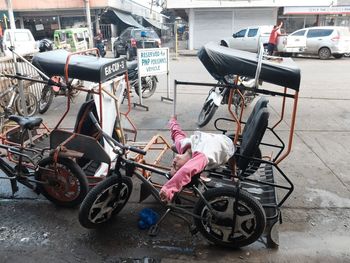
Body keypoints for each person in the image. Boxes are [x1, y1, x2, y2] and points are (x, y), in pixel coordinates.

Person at [159, 115, 235, 202]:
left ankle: (233, 169)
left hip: (216, 140)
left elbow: (177, 133)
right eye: (176, 167)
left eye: (172, 166)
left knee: (175, 145)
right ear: (189, 163)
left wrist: (172, 120)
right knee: (179, 149)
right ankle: (233, 170)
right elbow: (186, 170)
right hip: (226, 145)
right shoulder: (200, 157)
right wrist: (168, 189)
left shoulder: (182, 146)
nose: (173, 163)